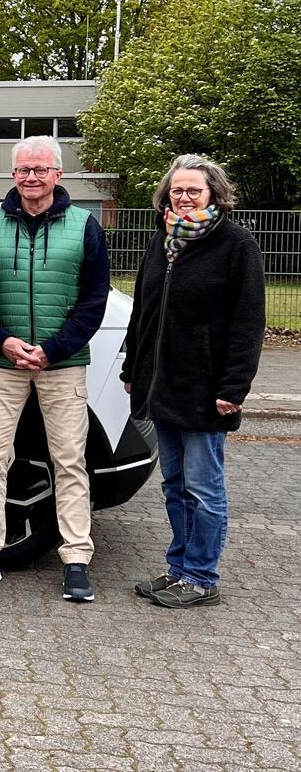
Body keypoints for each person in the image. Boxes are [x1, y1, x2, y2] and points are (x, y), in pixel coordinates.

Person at [0, 135, 109, 602]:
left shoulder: (85, 226)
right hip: (0, 363)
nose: (31, 177)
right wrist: (3, 341)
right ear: (13, 175)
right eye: (23, 170)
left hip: (62, 364)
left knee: (70, 462)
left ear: (57, 174)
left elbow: (93, 301)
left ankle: (76, 559)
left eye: (40, 169)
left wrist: (51, 349)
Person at [121, 155, 264, 609]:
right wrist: (131, 369)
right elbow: (142, 313)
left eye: (193, 191)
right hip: (160, 387)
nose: (183, 197)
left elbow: (248, 323)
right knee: (174, 484)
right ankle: (179, 568)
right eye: (177, 190)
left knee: (204, 488)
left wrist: (233, 388)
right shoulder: (162, 241)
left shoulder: (235, 245)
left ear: (213, 195)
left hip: (205, 390)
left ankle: (202, 577)